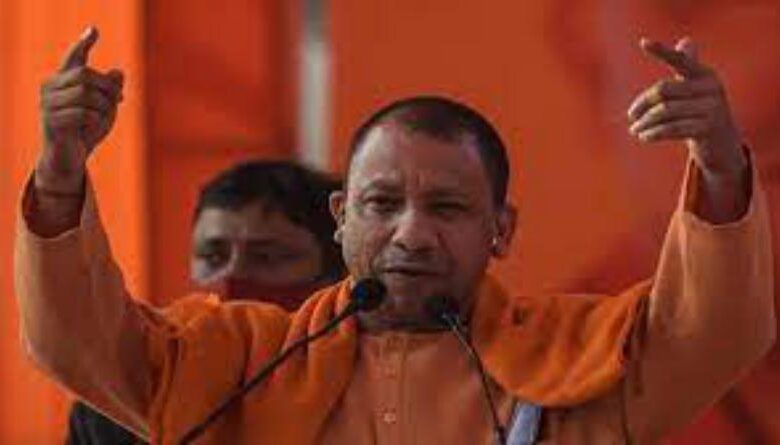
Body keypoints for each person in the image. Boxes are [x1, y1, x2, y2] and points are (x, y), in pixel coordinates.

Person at [16, 26, 773, 444]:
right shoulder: (237, 362)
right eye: (382, 204)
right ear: (341, 217)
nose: (411, 234)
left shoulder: (568, 361)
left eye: (447, 208)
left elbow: (713, 333)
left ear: (501, 230)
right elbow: (77, 340)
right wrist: (58, 173)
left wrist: (717, 164)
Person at [66, 160, 345, 444]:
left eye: (267, 257)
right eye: (213, 257)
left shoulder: (357, 388)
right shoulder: (123, 392)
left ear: (335, 274)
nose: (232, 274)